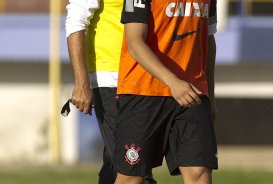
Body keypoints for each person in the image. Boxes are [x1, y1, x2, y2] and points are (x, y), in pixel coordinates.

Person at [113, 0, 218, 184]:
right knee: (132, 176)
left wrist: (209, 93)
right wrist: (173, 82)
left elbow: (209, 39)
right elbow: (135, 42)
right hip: (143, 92)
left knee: (199, 172)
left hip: (192, 93)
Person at [65, 0, 156, 183]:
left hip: (147, 76)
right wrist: (82, 83)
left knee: (116, 165)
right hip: (112, 77)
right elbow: (76, 19)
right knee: (134, 169)